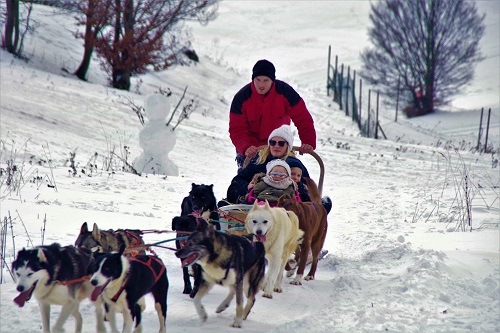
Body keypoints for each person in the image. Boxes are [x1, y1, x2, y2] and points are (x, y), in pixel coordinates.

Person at [229, 59, 317, 170]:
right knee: (248, 177)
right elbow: (237, 129)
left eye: (266, 80)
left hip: (278, 145)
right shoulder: (242, 98)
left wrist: (308, 142)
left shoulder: (285, 92)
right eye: (258, 80)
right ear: (253, 79)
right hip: (252, 148)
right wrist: (246, 147)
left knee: (287, 174)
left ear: (272, 81)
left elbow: (303, 119)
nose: (261, 85)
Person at [225, 124, 311, 204]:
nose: (276, 146)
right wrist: (247, 187)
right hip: (255, 204)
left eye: (281, 143)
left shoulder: (295, 164)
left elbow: (307, 190)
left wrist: (293, 186)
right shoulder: (259, 162)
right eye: (273, 142)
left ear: (288, 146)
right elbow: (237, 182)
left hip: (285, 206)